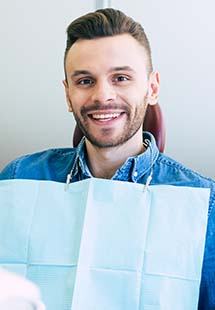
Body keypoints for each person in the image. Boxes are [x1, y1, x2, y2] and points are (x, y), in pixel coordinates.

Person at [0, 7, 215, 309]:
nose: (103, 96)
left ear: (152, 88)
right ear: (67, 94)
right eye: (85, 81)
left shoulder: (204, 204)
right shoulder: (17, 180)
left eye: (121, 78)